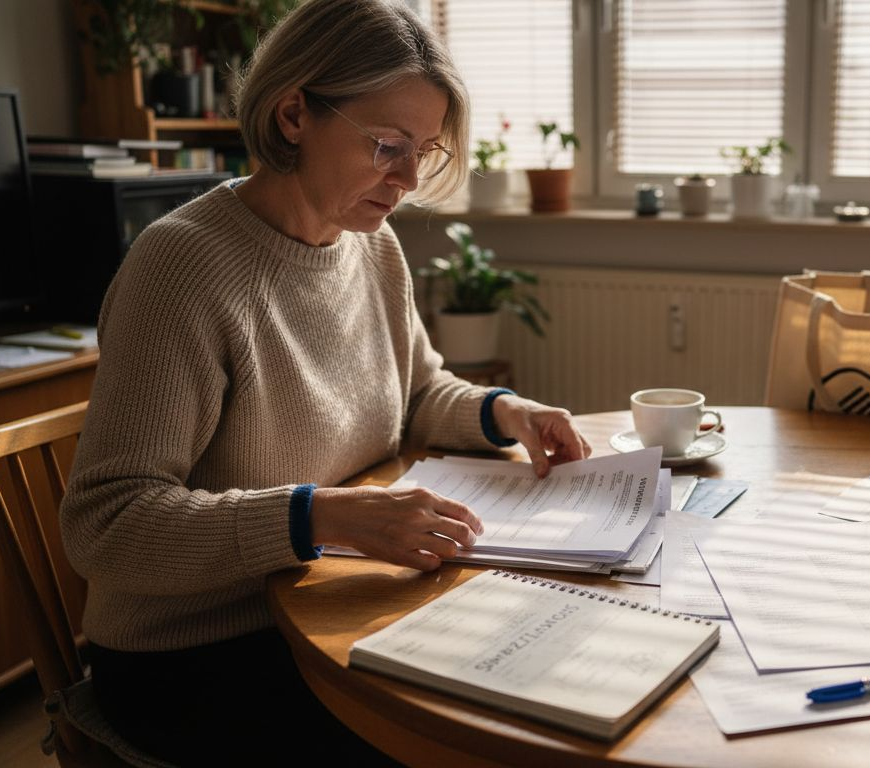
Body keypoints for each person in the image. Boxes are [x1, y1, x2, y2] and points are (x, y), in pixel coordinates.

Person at [59, 1, 589, 764]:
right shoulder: (183, 268)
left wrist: (508, 412)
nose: (407, 180)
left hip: (334, 599)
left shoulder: (370, 246)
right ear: (294, 113)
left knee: (539, 685)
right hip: (197, 651)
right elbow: (106, 525)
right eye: (388, 146)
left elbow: (416, 394)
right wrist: (322, 517)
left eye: (424, 152)